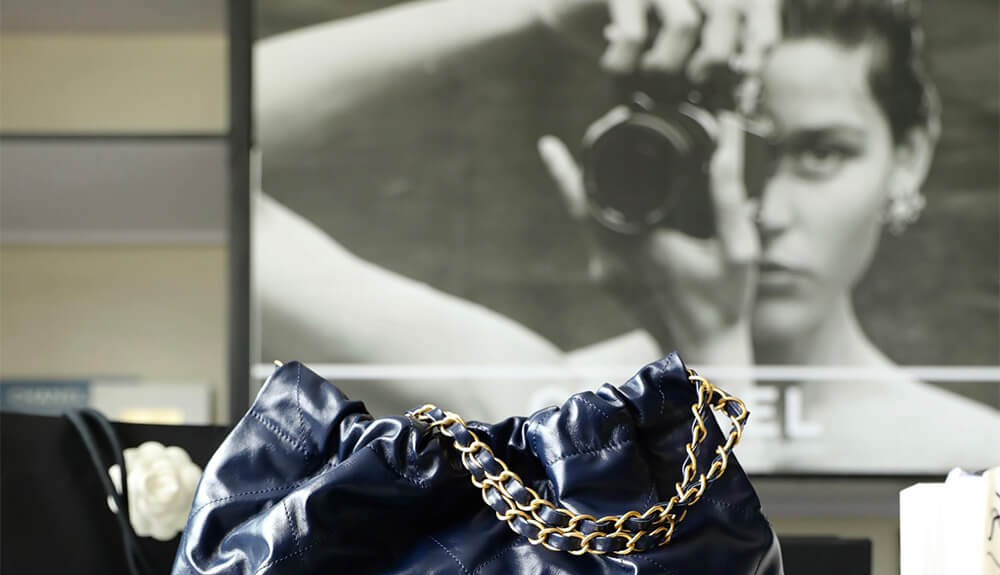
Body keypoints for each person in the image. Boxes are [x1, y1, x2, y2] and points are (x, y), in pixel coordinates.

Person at [255, 0, 1000, 472]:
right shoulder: (549, 399)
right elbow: (218, 185)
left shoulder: (976, 458)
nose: (763, 211)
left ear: (909, 156)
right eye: (723, 155)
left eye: (821, 154)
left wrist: (713, 346)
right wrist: (537, 12)